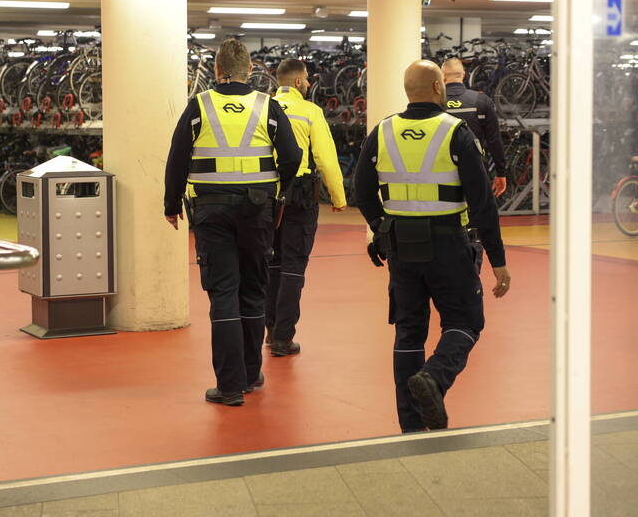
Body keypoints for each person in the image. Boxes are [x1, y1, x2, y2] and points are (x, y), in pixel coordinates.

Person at [355, 59, 511, 433]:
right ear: (439, 87)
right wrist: (498, 260)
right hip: (449, 245)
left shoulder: (382, 132)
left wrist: (380, 229)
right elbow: (483, 203)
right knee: (465, 322)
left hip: (401, 247)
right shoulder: (456, 133)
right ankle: (434, 377)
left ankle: (411, 424)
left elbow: (361, 189)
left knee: (409, 331)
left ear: (407, 90)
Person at [164, 38, 302, 406]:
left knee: (224, 292)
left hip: (211, 211)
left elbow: (177, 157)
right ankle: (251, 374)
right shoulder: (267, 106)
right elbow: (292, 156)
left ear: (217, 69)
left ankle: (229, 386)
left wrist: (171, 203)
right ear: (251, 69)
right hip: (257, 209)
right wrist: (277, 190)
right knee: (253, 290)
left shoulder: (199, 106)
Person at [264, 59, 347, 356]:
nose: (309, 84)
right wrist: (338, 197)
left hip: (265, 196)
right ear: (298, 82)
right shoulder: (310, 111)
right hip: (299, 198)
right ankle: (283, 338)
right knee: (293, 266)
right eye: (307, 79)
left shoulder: (263, 108)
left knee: (271, 263)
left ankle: (270, 329)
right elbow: (325, 158)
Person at [441, 58, 507, 197]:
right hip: (476, 169)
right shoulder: (482, 101)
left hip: (442, 170)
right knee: (478, 208)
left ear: (442, 76)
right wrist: (501, 173)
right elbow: (494, 140)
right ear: (463, 74)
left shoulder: (435, 102)